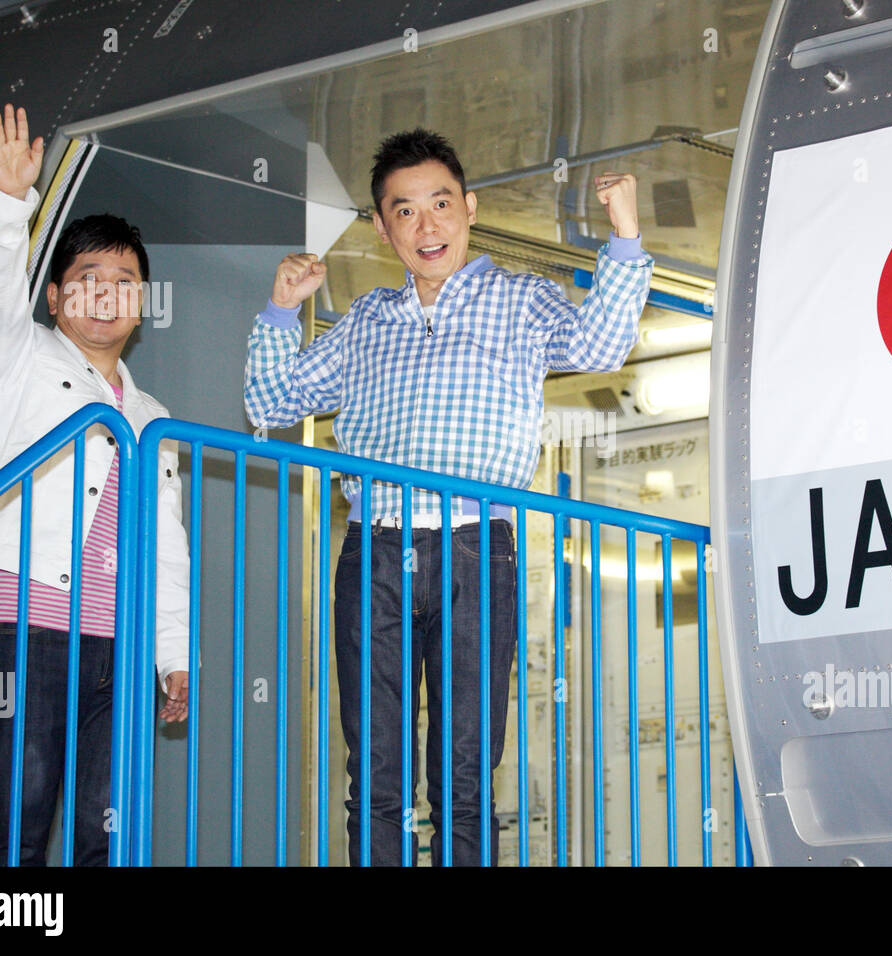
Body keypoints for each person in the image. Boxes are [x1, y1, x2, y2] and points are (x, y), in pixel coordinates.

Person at [245, 128, 651, 865]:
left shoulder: (521, 299)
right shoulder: (367, 320)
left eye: (439, 203)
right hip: (374, 548)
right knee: (373, 767)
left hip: (473, 545)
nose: (426, 225)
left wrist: (624, 239)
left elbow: (598, 347)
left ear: (468, 207)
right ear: (381, 227)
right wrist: (280, 311)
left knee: (465, 768)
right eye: (404, 210)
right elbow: (269, 400)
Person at [0, 105, 191, 866]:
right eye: (88, 278)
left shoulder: (153, 416)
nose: (107, 293)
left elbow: (168, 553)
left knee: (106, 825)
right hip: (25, 622)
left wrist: (172, 655)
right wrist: (11, 205)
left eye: (125, 281)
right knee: (17, 813)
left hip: (118, 643)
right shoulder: (21, 355)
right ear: (55, 297)